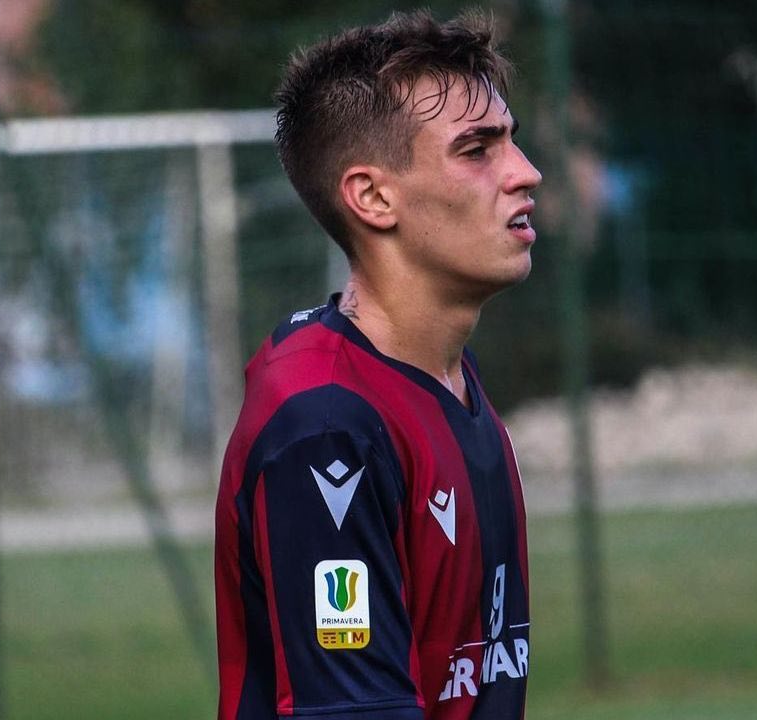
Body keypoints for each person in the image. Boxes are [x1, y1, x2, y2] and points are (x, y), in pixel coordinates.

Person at [214, 9, 541, 719]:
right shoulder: (327, 429)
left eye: (511, 141)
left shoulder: (450, 380)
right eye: (477, 150)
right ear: (372, 196)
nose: (525, 172)